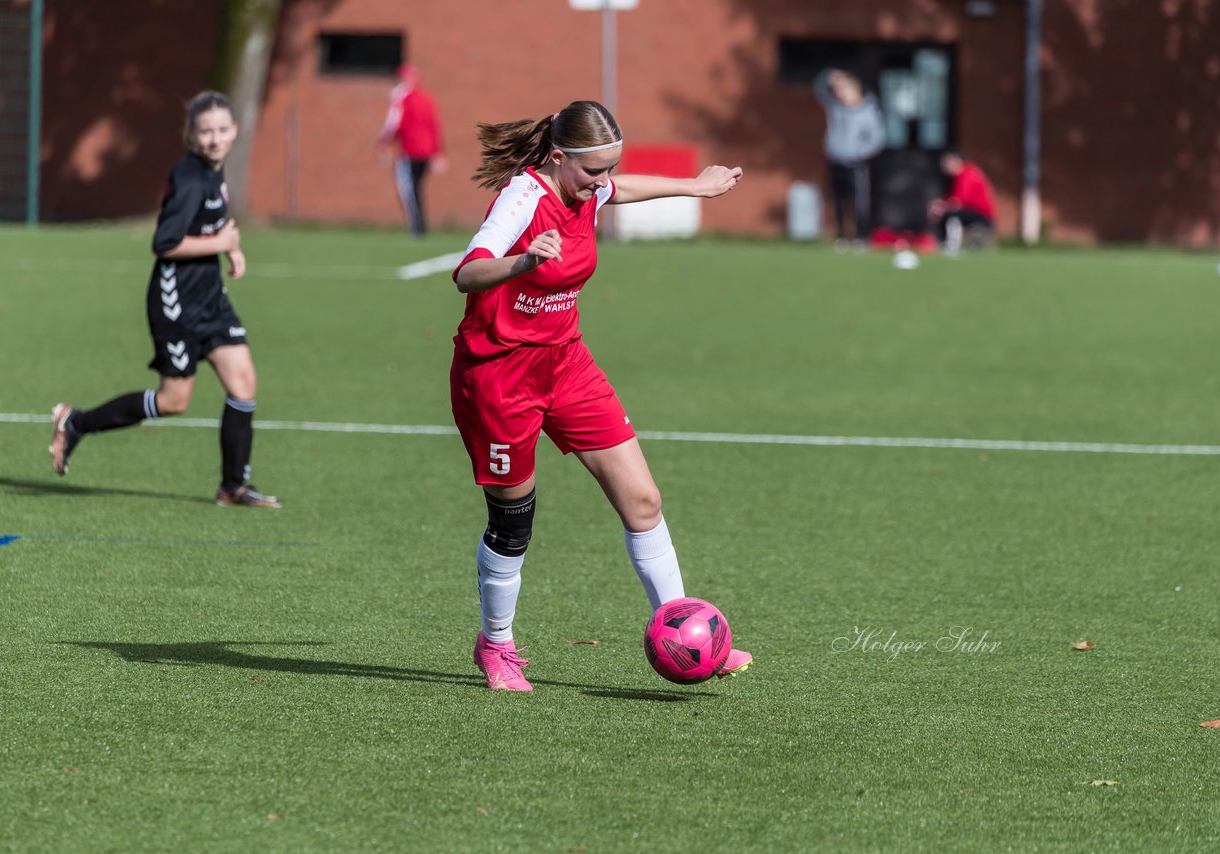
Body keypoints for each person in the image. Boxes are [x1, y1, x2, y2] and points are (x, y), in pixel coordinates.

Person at [450, 100, 752, 692]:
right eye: (593, 171)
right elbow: (467, 271)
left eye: (609, 169)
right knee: (513, 524)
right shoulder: (523, 199)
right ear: (559, 158)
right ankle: (497, 646)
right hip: (498, 377)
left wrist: (695, 188)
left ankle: (688, 630)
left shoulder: (587, 188)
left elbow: (623, 190)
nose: (602, 183)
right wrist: (520, 262)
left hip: (566, 364)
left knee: (643, 499)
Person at [48, 91, 280, 508]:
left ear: (235, 131)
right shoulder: (190, 178)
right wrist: (220, 242)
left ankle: (234, 486)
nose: (214, 139)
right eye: (206, 131)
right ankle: (76, 422)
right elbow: (165, 243)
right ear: (191, 134)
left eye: (222, 130)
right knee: (174, 401)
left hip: (209, 296)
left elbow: (215, 221)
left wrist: (232, 248)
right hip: (176, 301)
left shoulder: (214, 170)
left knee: (243, 381)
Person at [813, 68, 886, 250]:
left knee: (859, 201)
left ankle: (861, 237)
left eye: (845, 89)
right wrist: (829, 77)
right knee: (838, 201)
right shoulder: (836, 108)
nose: (841, 94)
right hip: (836, 161)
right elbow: (819, 90)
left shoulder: (868, 111)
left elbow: (877, 139)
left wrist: (858, 153)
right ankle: (842, 237)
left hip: (856, 164)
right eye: (839, 90)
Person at [375, 64, 445, 236]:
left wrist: (384, 141)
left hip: (410, 152)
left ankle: (417, 227)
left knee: (407, 189)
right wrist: (438, 153)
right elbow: (434, 127)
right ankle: (420, 226)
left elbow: (393, 122)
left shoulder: (401, 96)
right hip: (426, 153)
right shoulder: (427, 99)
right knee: (416, 188)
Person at [928, 148, 997, 253]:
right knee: (946, 214)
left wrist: (942, 208)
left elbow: (959, 201)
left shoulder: (968, 173)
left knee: (952, 215)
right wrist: (939, 205)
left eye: (946, 162)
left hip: (981, 215)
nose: (944, 166)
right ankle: (944, 241)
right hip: (970, 212)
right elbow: (951, 197)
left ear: (956, 160)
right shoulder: (958, 176)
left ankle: (952, 245)